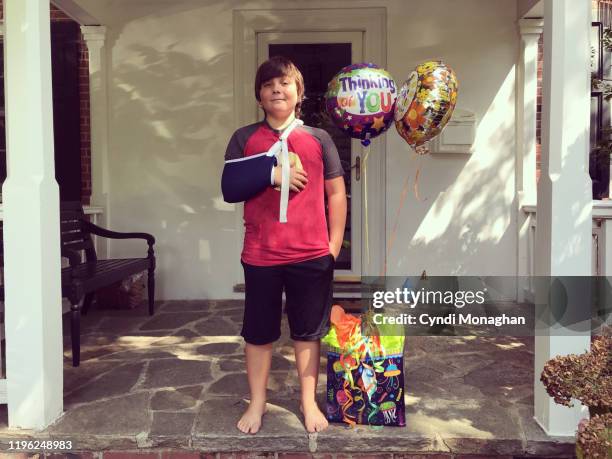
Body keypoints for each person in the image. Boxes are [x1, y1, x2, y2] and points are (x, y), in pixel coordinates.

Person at [221, 56, 347, 435]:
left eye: (285, 84)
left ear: (299, 94)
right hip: (261, 254)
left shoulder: (319, 139)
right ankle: (258, 402)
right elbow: (229, 189)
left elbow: (337, 193)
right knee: (259, 332)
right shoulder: (245, 138)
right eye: (268, 85)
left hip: (311, 254)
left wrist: (334, 245)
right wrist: (271, 173)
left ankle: (308, 402)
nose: (277, 89)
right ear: (259, 96)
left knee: (308, 332)